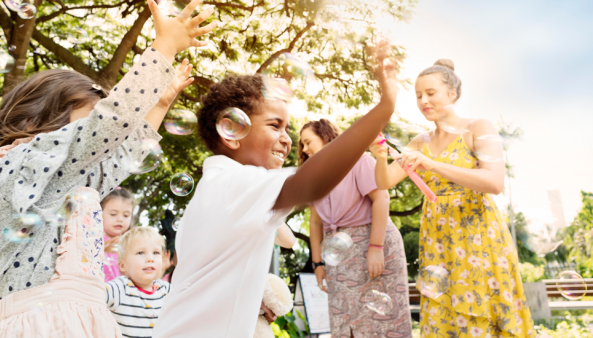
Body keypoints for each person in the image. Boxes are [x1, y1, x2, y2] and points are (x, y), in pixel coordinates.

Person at [0, 1, 217, 336]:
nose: (99, 138)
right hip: (43, 323)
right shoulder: (23, 164)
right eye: (88, 119)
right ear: (45, 118)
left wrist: (158, 105)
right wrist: (164, 47)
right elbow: (108, 125)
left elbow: (123, 157)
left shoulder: (60, 183)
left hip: (76, 319)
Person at [153, 42, 399, 337]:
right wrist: (385, 107)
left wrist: (248, 295)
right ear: (232, 131)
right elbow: (311, 182)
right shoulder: (234, 183)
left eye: (287, 129)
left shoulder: (220, 184)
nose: (287, 139)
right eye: (275, 125)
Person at [370, 59, 535, 337]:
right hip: (438, 239)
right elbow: (385, 181)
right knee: (445, 314)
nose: (423, 100)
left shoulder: (478, 128)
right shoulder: (420, 141)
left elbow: (493, 182)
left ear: (453, 94)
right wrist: (380, 156)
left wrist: (431, 164)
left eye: (430, 93)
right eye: (418, 95)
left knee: (483, 309)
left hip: (477, 237)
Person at [300, 119, 412, 337]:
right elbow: (315, 221)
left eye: (307, 142)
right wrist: (317, 263)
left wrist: (376, 248)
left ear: (325, 136)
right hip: (338, 253)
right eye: (302, 146)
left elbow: (381, 199)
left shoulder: (359, 161)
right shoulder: (314, 176)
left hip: (373, 243)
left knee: (383, 324)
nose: (304, 150)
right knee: (346, 323)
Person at [106, 226, 171, 338]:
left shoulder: (166, 290)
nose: (150, 259)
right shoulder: (120, 288)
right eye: (141, 253)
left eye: (156, 252)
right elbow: (93, 294)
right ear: (122, 265)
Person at [102, 187, 134, 282]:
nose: (120, 219)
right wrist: (101, 250)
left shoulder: (131, 243)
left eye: (126, 215)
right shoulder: (94, 239)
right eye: (113, 214)